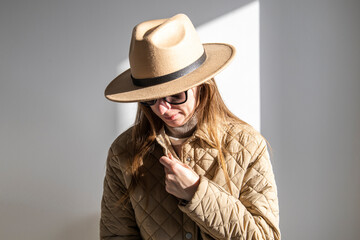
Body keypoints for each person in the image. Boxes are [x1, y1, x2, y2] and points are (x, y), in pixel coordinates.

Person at [100, 13, 280, 240]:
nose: (162, 110)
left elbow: (266, 237)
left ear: (202, 86)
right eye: (151, 98)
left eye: (175, 96)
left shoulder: (248, 145)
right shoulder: (123, 152)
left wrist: (197, 192)